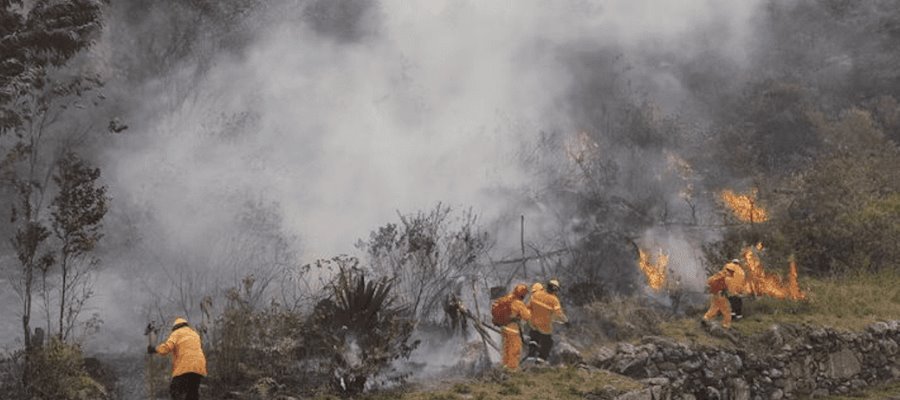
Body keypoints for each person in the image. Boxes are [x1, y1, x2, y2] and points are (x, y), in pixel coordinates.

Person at [148, 317, 207, 400]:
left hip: (185, 366)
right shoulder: (195, 334)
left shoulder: (176, 333)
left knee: (174, 390)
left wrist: (154, 349)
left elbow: (166, 348)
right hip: (199, 367)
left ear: (175, 327)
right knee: (192, 393)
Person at [527, 279, 568, 361]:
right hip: (545, 326)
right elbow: (559, 313)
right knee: (547, 343)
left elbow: (528, 307)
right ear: (555, 289)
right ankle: (540, 361)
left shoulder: (536, 294)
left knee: (534, 338)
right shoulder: (554, 300)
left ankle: (531, 355)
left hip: (533, 323)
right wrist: (566, 321)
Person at [703, 260, 746, 329]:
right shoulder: (730, 277)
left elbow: (710, 281)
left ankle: (705, 318)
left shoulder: (722, 273)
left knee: (714, 307)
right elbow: (732, 290)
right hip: (722, 295)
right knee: (727, 311)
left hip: (715, 293)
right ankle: (726, 326)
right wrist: (739, 294)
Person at [498, 284, 531, 370]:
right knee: (515, 349)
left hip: (504, 329)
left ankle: (504, 367)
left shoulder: (507, 299)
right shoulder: (519, 304)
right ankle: (512, 369)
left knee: (506, 349)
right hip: (513, 330)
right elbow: (527, 317)